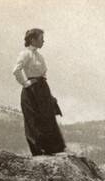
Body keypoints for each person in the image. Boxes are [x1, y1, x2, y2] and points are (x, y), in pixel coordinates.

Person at [13, 28, 66, 156]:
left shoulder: (40, 56)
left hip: (42, 90)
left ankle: (51, 149)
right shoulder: (25, 54)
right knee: (34, 120)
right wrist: (25, 83)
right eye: (41, 38)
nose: (43, 41)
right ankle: (38, 150)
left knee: (47, 118)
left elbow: (42, 76)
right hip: (32, 91)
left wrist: (49, 96)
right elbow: (16, 70)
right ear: (33, 39)